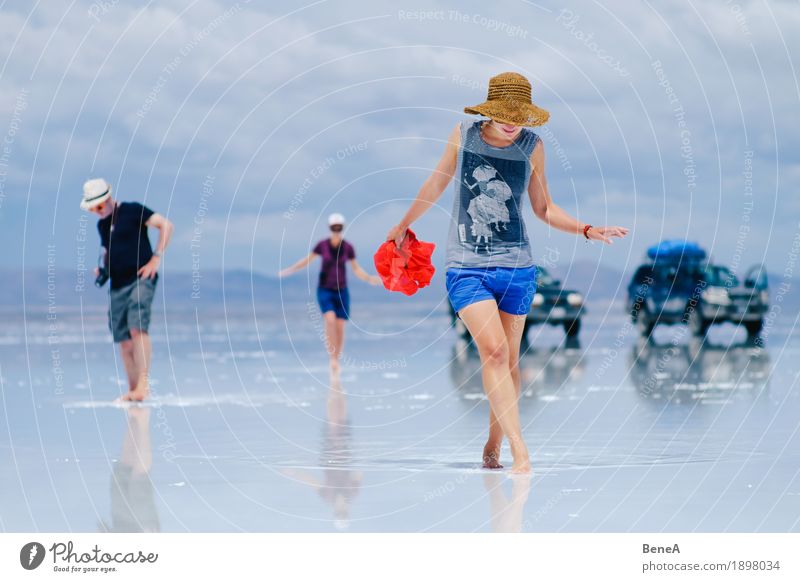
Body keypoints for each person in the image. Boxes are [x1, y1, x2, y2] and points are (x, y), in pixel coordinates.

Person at [386, 72, 628, 473]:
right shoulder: (464, 135)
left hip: (518, 267)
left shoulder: (533, 146)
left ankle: (493, 443)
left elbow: (544, 208)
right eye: (504, 112)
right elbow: (436, 184)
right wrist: (402, 224)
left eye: (520, 114)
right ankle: (521, 451)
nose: (512, 120)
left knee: (510, 364)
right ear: (490, 110)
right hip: (467, 267)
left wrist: (587, 229)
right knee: (494, 353)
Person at [80, 178, 174, 401]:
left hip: (140, 278)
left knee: (137, 327)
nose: (97, 211)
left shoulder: (132, 210)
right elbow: (107, 250)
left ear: (109, 198)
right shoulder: (102, 225)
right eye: (92, 208)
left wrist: (156, 259)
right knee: (123, 337)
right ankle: (133, 390)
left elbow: (166, 225)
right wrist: (103, 269)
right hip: (117, 284)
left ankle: (144, 384)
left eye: (100, 206)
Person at [279, 213, 381, 374]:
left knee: (340, 326)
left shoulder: (348, 247)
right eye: (334, 227)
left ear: (342, 228)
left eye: (339, 227)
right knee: (330, 319)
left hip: (342, 291)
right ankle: (332, 358)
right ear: (329, 228)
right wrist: (291, 269)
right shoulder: (322, 245)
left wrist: (369, 278)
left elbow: (356, 268)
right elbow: (307, 260)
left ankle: (336, 358)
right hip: (325, 289)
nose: (336, 230)